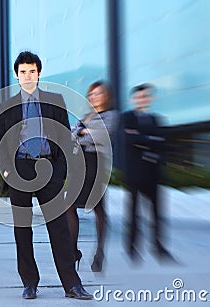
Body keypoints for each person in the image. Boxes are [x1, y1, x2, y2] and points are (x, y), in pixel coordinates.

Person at [0, 51, 92, 300]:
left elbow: (64, 138)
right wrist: (7, 171)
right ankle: (29, 282)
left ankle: (72, 284)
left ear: (39, 73)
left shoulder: (55, 100)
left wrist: (60, 173)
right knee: (23, 229)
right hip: (19, 170)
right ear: (17, 76)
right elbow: (1, 143)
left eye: (32, 71)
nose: (28, 76)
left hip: (49, 169)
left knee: (59, 229)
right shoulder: (7, 105)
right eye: (23, 72)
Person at [67, 80, 118, 272]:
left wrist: (81, 132)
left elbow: (99, 136)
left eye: (98, 93)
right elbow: (72, 135)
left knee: (99, 209)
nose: (94, 97)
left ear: (107, 95)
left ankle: (100, 253)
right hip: (80, 165)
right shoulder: (87, 116)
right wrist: (82, 131)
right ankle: (73, 252)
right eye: (92, 94)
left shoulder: (112, 116)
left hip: (97, 164)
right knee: (69, 207)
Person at [121, 83, 173, 263]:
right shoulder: (126, 118)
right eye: (139, 96)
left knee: (157, 214)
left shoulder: (156, 119)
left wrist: (141, 139)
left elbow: (162, 141)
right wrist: (149, 139)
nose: (143, 99)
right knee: (133, 212)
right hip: (135, 174)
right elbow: (128, 139)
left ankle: (159, 248)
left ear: (150, 98)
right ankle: (132, 249)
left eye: (146, 96)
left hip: (153, 173)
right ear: (133, 99)